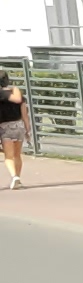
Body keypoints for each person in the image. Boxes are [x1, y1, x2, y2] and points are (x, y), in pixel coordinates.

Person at [0, 57, 27, 188]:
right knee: (17, 155)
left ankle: (14, 177)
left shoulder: (1, 94)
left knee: (9, 156)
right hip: (19, 125)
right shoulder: (16, 93)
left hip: (5, 127)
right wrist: (28, 129)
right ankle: (18, 178)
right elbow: (24, 113)